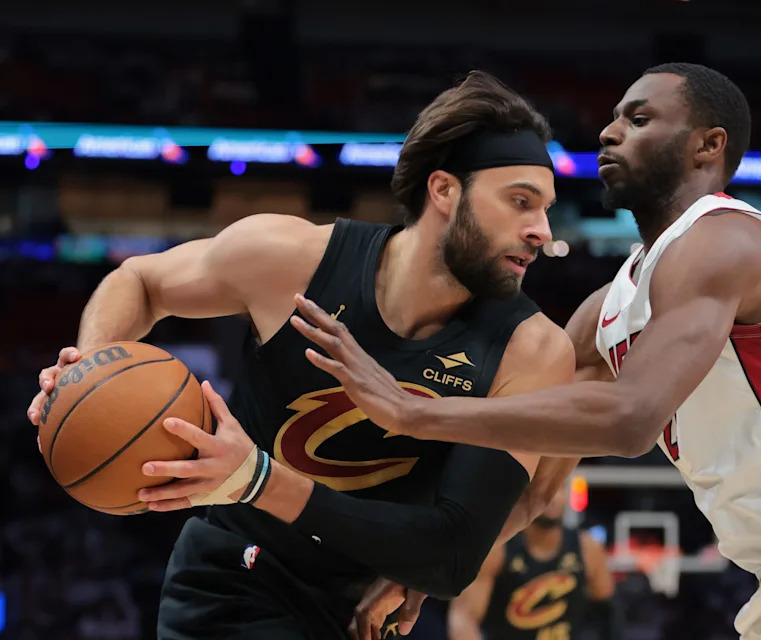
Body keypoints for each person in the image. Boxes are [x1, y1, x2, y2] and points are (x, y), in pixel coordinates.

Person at [289, 63, 761, 639]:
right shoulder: (610, 308)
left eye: (638, 119)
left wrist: (416, 413)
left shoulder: (723, 241)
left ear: (708, 146)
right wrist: (428, 573)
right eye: (612, 118)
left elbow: (630, 417)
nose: (609, 132)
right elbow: (535, 490)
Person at [26, 70, 581, 640]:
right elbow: (140, 281)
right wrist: (89, 368)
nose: (541, 229)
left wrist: (257, 478)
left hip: (364, 609)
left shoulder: (531, 350)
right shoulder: (292, 260)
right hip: (236, 582)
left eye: (545, 208)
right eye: (520, 202)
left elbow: (452, 555)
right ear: (444, 190)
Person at [448, 488, 618, 640]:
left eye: (559, 490)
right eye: (546, 489)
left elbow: (608, 613)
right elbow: (463, 618)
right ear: (522, 495)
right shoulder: (497, 549)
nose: (553, 498)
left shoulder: (588, 548)